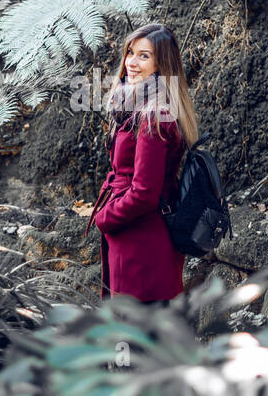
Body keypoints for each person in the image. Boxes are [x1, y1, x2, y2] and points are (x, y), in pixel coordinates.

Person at [84, 21, 199, 303]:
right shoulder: (142, 106)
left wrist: (105, 218)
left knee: (136, 328)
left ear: (162, 65)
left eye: (144, 56)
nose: (131, 63)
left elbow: (145, 193)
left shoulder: (153, 115)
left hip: (142, 237)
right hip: (136, 231)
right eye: (130, 53)